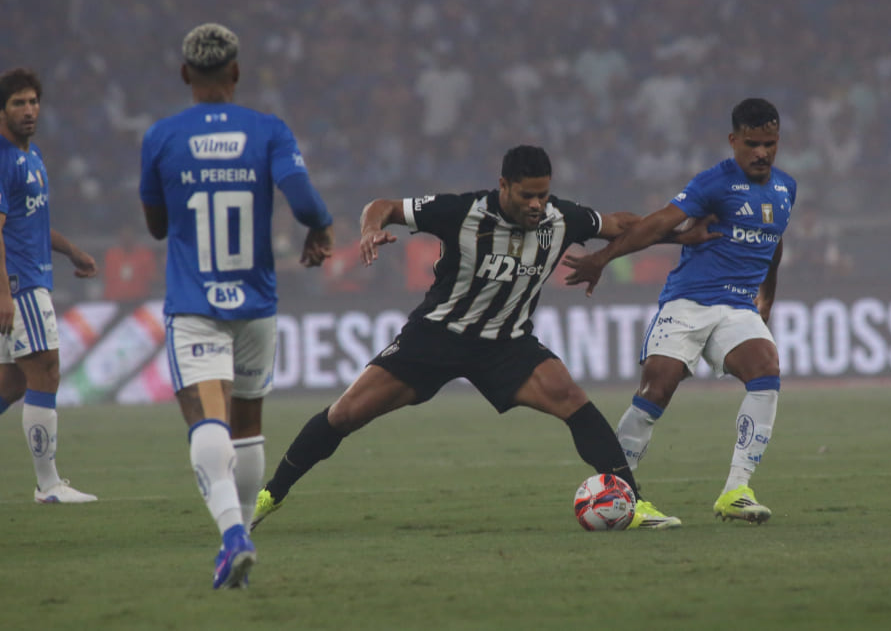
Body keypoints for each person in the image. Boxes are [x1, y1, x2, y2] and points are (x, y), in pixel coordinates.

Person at [251, 145, 707, 534]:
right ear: (504, 186)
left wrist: (680, 236)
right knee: (346, 413)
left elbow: (623, 224)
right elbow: (385, 205)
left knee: (573, 401)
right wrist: (371, 228)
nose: (536, 204)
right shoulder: (461, 212)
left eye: (543, 194)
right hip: (434, 338)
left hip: (506, 345)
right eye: (527, 195)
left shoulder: (561, 218)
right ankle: (270, 495)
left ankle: (633, 502)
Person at [139, 23, 334, 588]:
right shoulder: (267, 131)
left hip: (197, 301)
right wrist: (319, 230)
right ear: (236, 72)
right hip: (257, 302)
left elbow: (156, 226)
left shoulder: (161, 136)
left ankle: (232, 536)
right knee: (248, 425)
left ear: (184, 75)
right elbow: (304, 202)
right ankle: (244, 539)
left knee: (207, 417)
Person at [565, 98, 796, 525]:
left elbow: (773, 241)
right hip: (688, 301)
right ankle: (625, 496)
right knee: (657, 389)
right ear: (734, 141)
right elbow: (656, 224)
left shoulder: (786, 189)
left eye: (770, 143)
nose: (762, 153)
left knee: (766, 371)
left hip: (737, 307)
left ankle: (736, 491)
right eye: (753, 144)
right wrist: (603, 258)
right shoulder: (714, 183)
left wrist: (767, 296)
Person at [0, 68, 100, 504]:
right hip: (20, 285)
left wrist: (72, 251)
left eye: (33, 101)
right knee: (47, 371)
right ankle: (49, 486)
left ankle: (49, 484)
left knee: (11, 384)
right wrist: (4, 293)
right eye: (18, 103)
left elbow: (31, 222)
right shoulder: (3, 159)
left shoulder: (31, 155)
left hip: (26, 277)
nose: (29, 110)